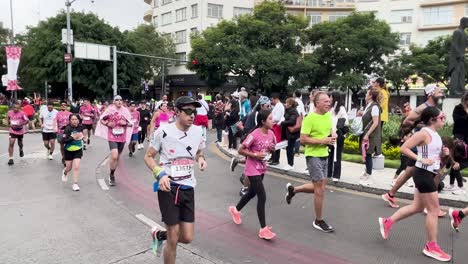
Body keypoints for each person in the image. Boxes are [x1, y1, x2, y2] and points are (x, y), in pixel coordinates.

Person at [378, 107, 451, 262]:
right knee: (433, 210)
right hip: (422, 174)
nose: (444, 120)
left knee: (417, 207)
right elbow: (403, 148)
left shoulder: (436, 135)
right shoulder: (423, 133)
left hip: (429, 174)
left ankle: (387, 221)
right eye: (442, 117)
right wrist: (420, 159)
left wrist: (444, 155)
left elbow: (434, 156)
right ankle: (431, 246)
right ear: (432, 119)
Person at [144, 96, 206, 264]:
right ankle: (167, 237)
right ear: (177, 112)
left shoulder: (198, 131)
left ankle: (159, 234)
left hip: (188, 187)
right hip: (168, 187)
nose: (192, 115)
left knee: (186, 237)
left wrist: (201, 159)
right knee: (173, 238)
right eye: (187, 111)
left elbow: (199, 151)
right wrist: (160, 173)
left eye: (194, 111)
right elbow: (148, 157)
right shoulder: (163, 132)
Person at [382, 84, 444, 208]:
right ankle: (428, 205)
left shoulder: (433, 107)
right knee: (423, 172)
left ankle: (392, 194)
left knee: (411, 172)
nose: (441, 93)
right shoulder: (423, 108)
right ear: (431, 94)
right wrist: (424, 126)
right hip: (420, 144)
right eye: (438, 91)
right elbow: (407, 121)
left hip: (426, 143)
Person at [285, 91, 336, 233]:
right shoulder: (309, 118)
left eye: (329, 101)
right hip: (313, 155)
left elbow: (330, 131)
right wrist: (322, 141)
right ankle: (319, 221)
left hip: (325, 154)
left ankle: (293, 190)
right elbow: (303, 139)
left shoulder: (327, 115)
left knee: (319, 188)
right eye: (325, 101)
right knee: (319, 190)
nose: (328, 103)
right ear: (317, 103)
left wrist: (333, 135)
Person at [228, 109, 277, 240]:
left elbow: (272, 149)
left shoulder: (272, 134)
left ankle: (235, 210)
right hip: (252, 168)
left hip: (262, 167)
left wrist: (272, 149)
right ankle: (263, 229)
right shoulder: (254, 134)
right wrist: (255, 155)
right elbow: (240, 149)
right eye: (270, 119)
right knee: (262, 196)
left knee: (251, 193)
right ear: (263, 121)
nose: (273, 121)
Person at [96, 95, 133, 186]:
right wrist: (107, 123)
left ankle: (112, 173)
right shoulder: (109, 110)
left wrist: (125, 123)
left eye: (121, 100)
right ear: (114, 102)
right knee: (114, 155)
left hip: (122, 137)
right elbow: (101, 120)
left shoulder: (125, 111)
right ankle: (111, 176)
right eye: (117, 100)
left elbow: (131, 124)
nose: (119, 101)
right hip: (112, 136)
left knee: (117, 157)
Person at [359, 89, 382, 186]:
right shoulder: (369, 106)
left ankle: (369, 175)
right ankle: (367, 172)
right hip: (366, 133)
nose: (365, 95)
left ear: (370, 96)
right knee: (366, 153)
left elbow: (375, 122)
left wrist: (367, 134)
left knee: (368, 154)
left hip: (371, 135)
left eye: (367, 94)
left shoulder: (375, 107)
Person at [328, 91, 349, 182]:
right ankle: (328, 172)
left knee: (337, 154)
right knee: (329, 154)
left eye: (331, 97)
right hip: (330, 134)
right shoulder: (331, 108)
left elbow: (345, 121)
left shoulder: (341, 108)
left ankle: (336, 175)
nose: (329, 98)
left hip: (338, 134)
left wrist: (336, 125)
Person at [61, 114, 84, 191]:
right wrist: (72, 137)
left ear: (78, 120)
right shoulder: (67, 129)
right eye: (72, 119)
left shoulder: (81, 127)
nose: (74, 121)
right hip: (68, 150)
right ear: (70, 120)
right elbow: (63, 141)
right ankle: (65, 172)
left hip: (78, 149)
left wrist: (84, 138)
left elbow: (82, 135)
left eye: (76, 119)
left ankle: (75, 184)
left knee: (76, 166)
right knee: (69, 168)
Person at [281, 98, 300, 170]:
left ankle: (290, 164)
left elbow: (292, 121)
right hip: (289, 133)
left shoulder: (293, 112)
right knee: (289, 148)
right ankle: (289, 163)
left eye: (287, 103)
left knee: (290, 149)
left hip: (292, 133)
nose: (285, 104)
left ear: (290, 104)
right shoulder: (289, 110)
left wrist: (283, 122)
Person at [269, 93, 284, 166]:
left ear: (276, 99)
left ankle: (276, 159)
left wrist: (271, 119)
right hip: (274, 126)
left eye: (272, 100)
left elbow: (277, 117)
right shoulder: (277, 106)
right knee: (273, 142)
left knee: (276, 143)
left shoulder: (279, 106)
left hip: (276, 126)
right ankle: (272, 157)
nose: (272, 102)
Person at [55, 101, 72, 166]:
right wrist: (55, 129)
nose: (63, 106)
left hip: (68, 132)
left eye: (64, 105)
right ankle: (63, 157)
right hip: (60, 132)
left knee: (68, 145)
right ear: (60, 106)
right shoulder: (57, 114)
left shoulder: (70, 113)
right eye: (62, 105)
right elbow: (55, 122)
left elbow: (73, 121)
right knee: (62, 145)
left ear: (66, 106)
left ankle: (67, 157)